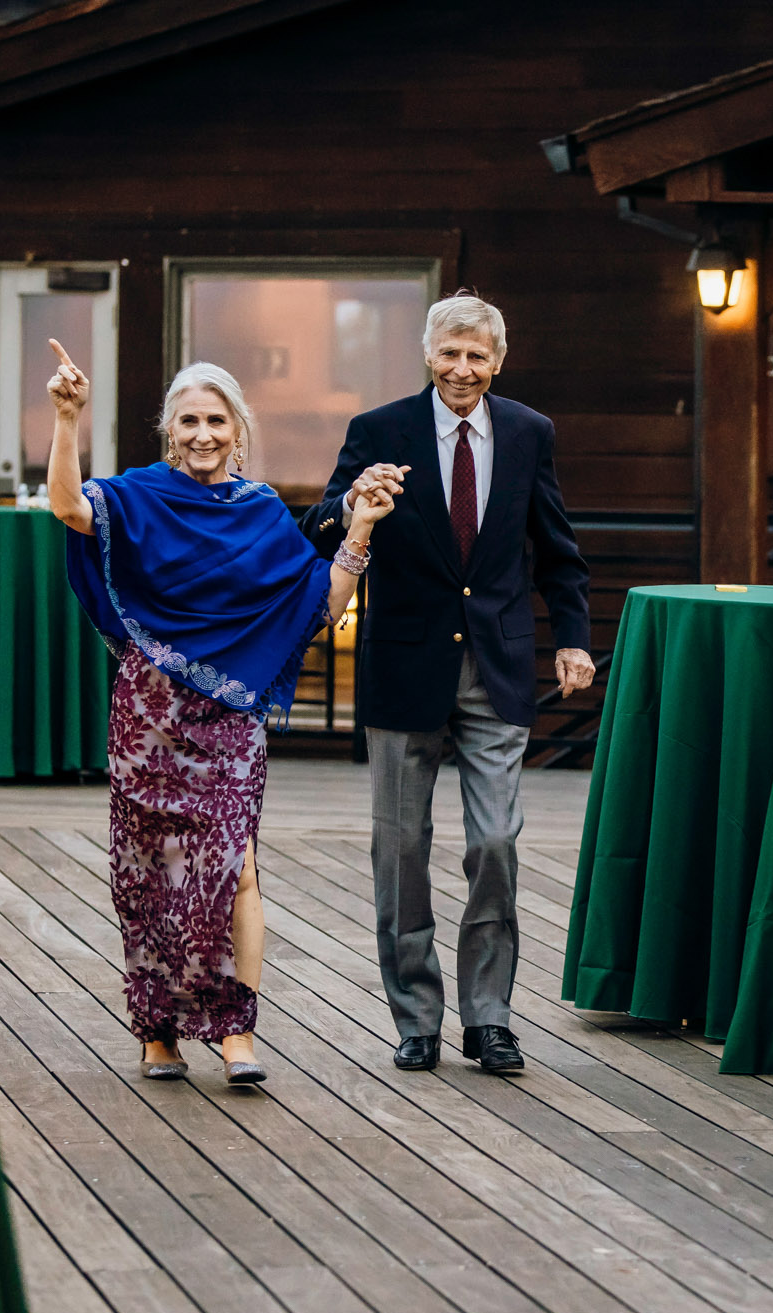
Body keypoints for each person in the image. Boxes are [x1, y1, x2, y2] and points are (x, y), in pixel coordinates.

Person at [46, 340, 394, 1086]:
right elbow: (69, 506)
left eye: (216, 420)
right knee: (148, 872)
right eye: (188, 420)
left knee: (235, 869)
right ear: (169, 429)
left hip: (229, 718)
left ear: (239, 429)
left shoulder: (264, 513)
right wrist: (67, 418)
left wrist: (360, 526)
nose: (202, 434)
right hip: (148, 714)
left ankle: (236, 1030)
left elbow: (318, 608)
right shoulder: (138, 494)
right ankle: (159, 1032)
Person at [298, 293, 593, 1074]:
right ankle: (417, 1017)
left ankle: (488, 1016)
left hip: (497, 668)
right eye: (450, 354)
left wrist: (572, 638)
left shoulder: (530, 433)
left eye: (477, 357)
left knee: (495, 841)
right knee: (400, 849)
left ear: (498, 362)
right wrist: (358, 502)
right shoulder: (380, 430)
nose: (463, 370)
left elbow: (557, 549)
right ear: (429, 354)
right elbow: (319, 525)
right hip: (403, 665)